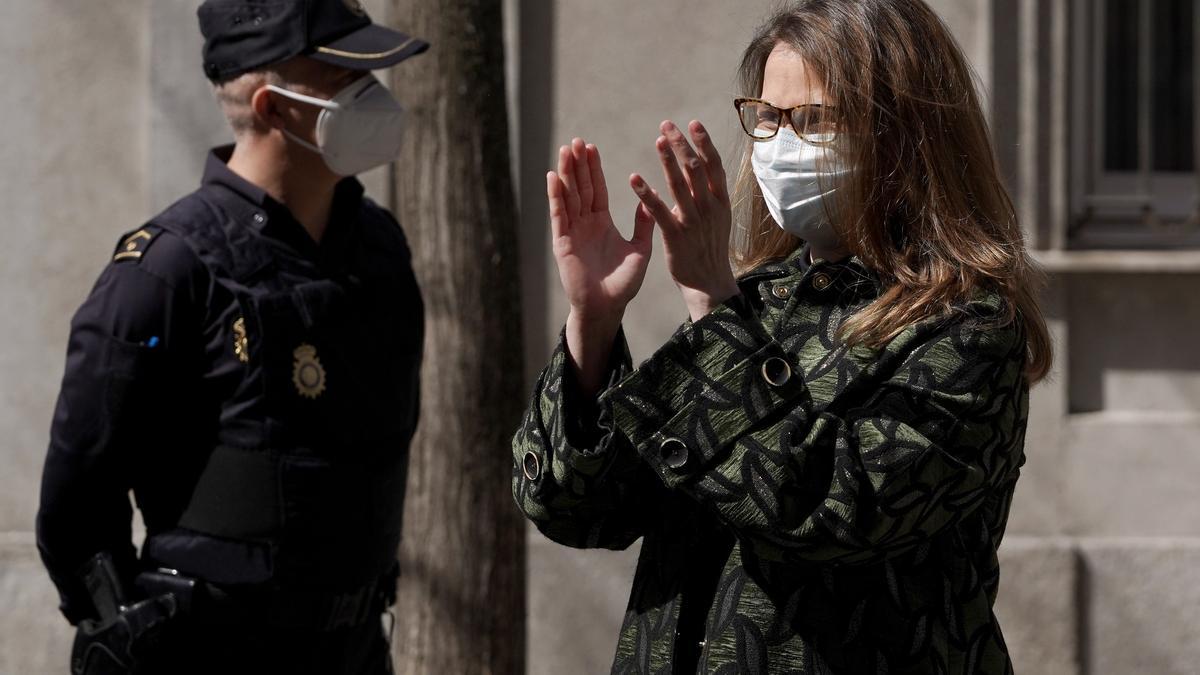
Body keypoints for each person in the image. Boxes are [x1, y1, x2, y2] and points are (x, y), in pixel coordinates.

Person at [511, 0, 1052, 672]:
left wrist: (712, 300)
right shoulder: (756, 305)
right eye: (768, 117)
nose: (783, 142)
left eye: (816, 119)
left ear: (905, 134)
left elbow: (831, 511)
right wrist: (592, 323)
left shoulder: (967, 328)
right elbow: (581, 509)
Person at [36, 1, 428, 673]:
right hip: (211, 650)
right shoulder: (167, 269)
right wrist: (121, 627)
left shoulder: (378, 250)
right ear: (275, 108)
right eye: (344, 80)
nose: (374, 98)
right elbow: (77, 507)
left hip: (355, 649)